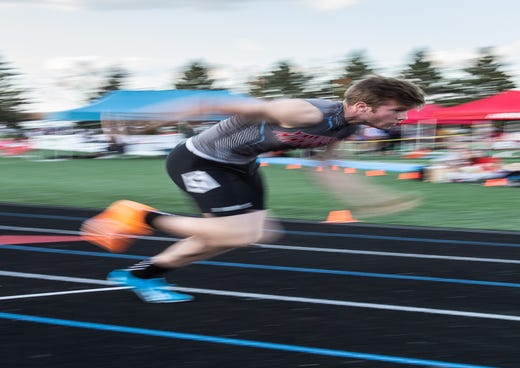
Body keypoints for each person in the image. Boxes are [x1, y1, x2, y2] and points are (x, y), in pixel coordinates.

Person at [81, 75, 425, 303]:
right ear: (364, 106)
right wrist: (144, 124)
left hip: (241, 165)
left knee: (254, 233)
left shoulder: (346, 128)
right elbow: (213, 103)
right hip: (200, 159)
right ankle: (140, 215)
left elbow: (325, 168)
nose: (401, 118)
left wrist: (372, 200)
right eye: (397, 110)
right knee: (234, 232)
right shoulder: (303, 111)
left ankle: (144, 275)